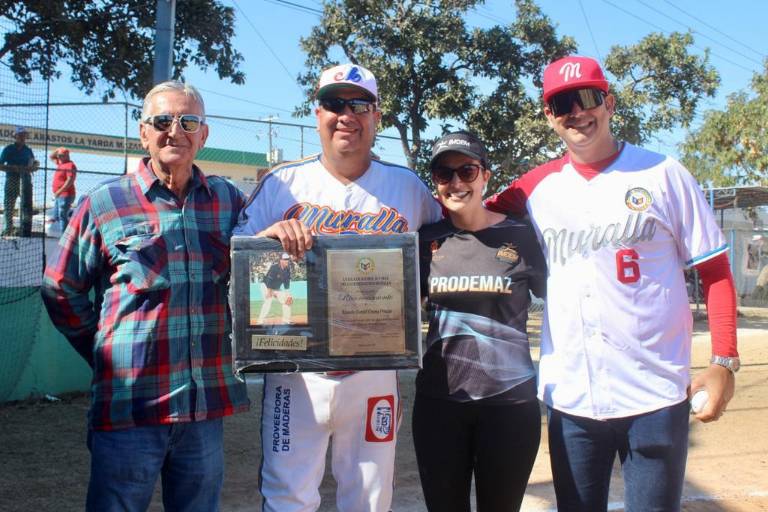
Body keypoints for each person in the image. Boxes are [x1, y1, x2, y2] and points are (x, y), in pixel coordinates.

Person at [486, 55, 739, 512]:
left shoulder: (663, 174)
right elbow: (463, 210)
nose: (577, 112)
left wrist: (724, 360)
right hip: (572, 397)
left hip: (656, 392)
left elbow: (716, 272)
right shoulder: (534, 187)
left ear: (609, 103)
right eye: (562, 103)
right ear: (549, 116)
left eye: (587, 97)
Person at [234, 63, 442, 512]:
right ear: (317, 114)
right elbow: (236, 260)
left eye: (359, 105)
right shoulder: (282, 183)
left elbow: (454, 234)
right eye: (334, 104)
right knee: (288, 496)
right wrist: (265, 241)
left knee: (369, 499)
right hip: (296, 373)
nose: (346, 114)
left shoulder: (407, 187)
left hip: (374, 372)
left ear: (377, 116)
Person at [40, 81, 249, 511]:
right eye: (162, 121)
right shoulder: (104, 202)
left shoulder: (229, 201)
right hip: (129, 410)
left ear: (203, 135)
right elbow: (60, 287)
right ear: (143, 132)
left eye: (188, 121)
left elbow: (266, 261)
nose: (175, 131)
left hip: (203, 409)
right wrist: (102, 351)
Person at [414, 131, 546, 512]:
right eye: (444, 173)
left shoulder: (522, 235)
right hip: (440, 404)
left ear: (485, 176)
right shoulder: (425, 241)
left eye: (467, 171)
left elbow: (565, 300)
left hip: (510, 405)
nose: (456, 182)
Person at [1, 126, 37, 236]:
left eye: (24, 135)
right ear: (15, 136)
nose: (22, 137)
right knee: (9, 205)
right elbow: (0, 165)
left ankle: (24, 229)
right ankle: (8, 229)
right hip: (12, 179)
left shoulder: (28, 150)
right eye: (20, 135)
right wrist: (13, 168)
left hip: (25, 180)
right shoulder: (8, 149)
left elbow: (32, 164)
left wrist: (35, 166)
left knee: (26, 206)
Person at [258, 252, 293, 324]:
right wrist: (269, 292)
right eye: (285, 259)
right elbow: (269, 280)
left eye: (288, 259)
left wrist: (288, 294)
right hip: (266, 286)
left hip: (276, 288)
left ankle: (286, 320)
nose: (287, 261)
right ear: (281, 260)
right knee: (268, 301)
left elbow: (287, 283)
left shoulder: (287, 269)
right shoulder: (274, 267)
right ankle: (260, 320)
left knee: (286, 300)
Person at [50, 146, 77, 232]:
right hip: (59, 195)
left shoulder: (70, 165)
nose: (59, 157)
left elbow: (70, 180)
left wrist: (59, 191)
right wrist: (57, 150)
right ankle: (65, 232)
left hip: (65, 195)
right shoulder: (61, 163)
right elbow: (51, 157)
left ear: (66, 156)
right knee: (57, 216)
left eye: (61, 155)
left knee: (62, 215)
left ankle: (65, 236)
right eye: (59, 155)